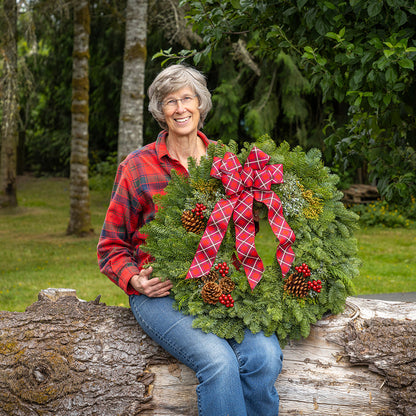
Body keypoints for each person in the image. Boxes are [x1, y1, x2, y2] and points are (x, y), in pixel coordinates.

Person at [97, 64, 283, 416]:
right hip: (161, 294)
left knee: (265, 355)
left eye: (187, 98)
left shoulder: (226, 161)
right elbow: (110, 246)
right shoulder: (137, 166)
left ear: (201, 104)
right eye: (170, 102)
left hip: (223, 287)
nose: (180, 108)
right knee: (218, 361)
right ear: (160, 111)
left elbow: (243, 235)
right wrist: (135, 279)